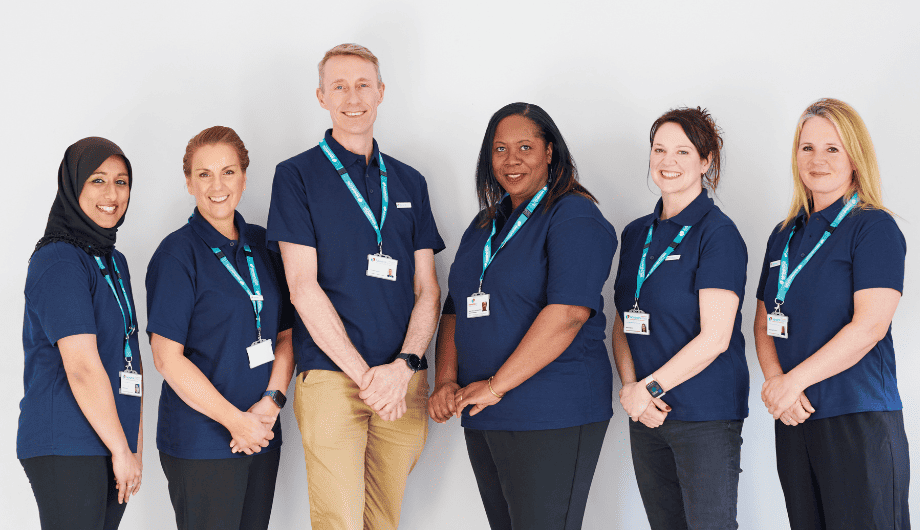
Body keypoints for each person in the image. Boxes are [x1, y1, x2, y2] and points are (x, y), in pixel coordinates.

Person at [266, 43, 444, 529]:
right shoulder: (296, 176)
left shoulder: (410, 182)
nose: (352, 96)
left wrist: (402, 367)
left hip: (401, 382)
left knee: (384, 520)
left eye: (363, 84)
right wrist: (367, 376)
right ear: (321, 96)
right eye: (339, 86)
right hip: (331, 375)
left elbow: (427, 289)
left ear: (381, 92)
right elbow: (302, 288)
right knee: (338, 520)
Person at [428, 102, 616, 530]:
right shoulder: (484, 225)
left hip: (550, 409)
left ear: (550, 152)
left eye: (525, 147)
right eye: (499, 149)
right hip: (482, 408)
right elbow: (457, 305)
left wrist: (496, 386)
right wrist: (445, 380)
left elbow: (568, 314)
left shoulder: (574, 215)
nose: (511, 160)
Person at [754, 98, 909, 529]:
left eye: (832, 149)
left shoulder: (874, 228)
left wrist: (793, 382)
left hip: (856, 420)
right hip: (795, 417)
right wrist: (776, 385)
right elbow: (764, 321)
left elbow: (870, 326)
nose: (817, 160)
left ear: (855, 158)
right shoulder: (784, 234)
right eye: (807, 148)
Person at [146, 126, 295, 530]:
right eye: (204, 174)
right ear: (189, 182)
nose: (217, 185)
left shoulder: (264, 246)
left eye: (228, 172)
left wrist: (272, 402)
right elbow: (166, 358)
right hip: (203, 442)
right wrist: (236, 421)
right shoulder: (177, 254)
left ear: (244, 178)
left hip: (262, 433)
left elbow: (285, 335)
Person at [612, 107, 748, 530]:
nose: (667, 161)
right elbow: (621, 322)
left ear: (706, 162)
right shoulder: (636, 233)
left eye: (682, 152)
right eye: (659, 150)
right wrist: (633, 388)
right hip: (647, 413)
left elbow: (716, 337)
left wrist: (650, 387)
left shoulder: (718, 233)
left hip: (703, 414)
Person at [19, 137, 142, 529]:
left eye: (121, 182)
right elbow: (83, 369)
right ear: (73, 186)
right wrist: (122, 449)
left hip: (108, 442)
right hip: (68, 441)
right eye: (98, 180)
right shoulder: (59, 259)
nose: (112, 194)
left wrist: (130, 449)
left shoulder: (113, 260)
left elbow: (130, 359)